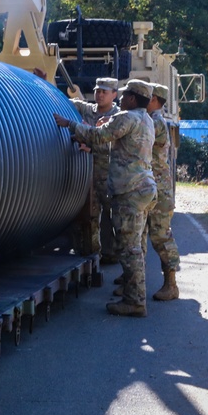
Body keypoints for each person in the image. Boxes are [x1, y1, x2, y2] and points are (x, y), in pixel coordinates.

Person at [53, 79, 156, 317]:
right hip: (143, 188)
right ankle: (134, 293)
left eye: (125, 95)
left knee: (129, 249)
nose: (122, 98)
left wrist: (69, 124)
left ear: (131, 98)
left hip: (129, 190)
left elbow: (99, 137)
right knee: (136, 247)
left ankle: (135, 301)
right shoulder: (146, 120)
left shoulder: (126, 117)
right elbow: (120, 147)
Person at [66, 77, 120, 261]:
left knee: (111, 215)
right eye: (98, 90)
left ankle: (111, 252)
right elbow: (64, 101)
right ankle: (92, 253)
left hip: (109, 174)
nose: (100, 94)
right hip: (87, 174)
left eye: (105, 91)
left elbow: (116, 145)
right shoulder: (87, 109)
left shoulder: (119, 117)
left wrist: (91, 147)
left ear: (115, 94)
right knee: (89, 213)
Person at [146, 83, 180, 300]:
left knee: (161, 236)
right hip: (152, 186)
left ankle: (171, 284)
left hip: (159, 189)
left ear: (156, 100)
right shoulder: (150, 120)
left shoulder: (155, 123)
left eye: (147, 97)